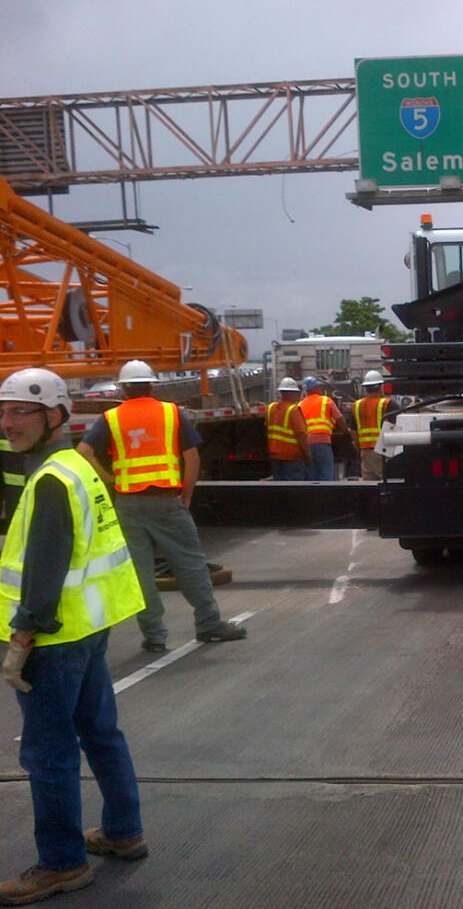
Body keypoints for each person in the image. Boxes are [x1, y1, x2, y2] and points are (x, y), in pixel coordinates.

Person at [0, 368, 148, 906]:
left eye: (21, 412)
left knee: (47, 752)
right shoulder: (75, 466)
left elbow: (45, 565)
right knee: (99, 730)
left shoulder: (51, 480)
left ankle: (62, 864)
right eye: (5, 411)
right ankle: (123, 830)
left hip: (53, 636)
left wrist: (21, 639)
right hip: (87, 627)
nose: (7, 422)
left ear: (55, 417)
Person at [75, 360, 247, 653]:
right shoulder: (171, 413)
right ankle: (208, 625)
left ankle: (154, 636)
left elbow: (83, 452)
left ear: (123, 388)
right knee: (190, 564)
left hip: (128, 504)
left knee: (140, 574)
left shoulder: (111, 418)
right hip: (168, 501)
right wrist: (187, 493)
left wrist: (111, 480)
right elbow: (192, 457)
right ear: (152, 385)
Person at [298, 375, 355, 481]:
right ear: (314, 388)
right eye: (318, 387)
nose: (320, 388)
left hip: (307, 443)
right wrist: (347, 432)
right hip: (322, 442)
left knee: (311, 474)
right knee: (326, 472)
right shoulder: (326, 401)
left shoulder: (300, 404)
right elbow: (339, 419)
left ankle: (313, 496)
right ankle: (325, 496)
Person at [351, 370, 399, 481]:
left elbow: (353, 431)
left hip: (365, 451)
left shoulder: (356, 405)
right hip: (382, 450)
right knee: (387, 483)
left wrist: (359, 449)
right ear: (380, 386)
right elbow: (395, 426)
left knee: (370, 485)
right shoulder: (388, 404)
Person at [265, 377, 309, 481]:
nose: (298, 395)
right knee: (294, 489)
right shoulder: (293, 410)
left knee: (279, 488)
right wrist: (308, 453)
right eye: (296, 393)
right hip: (292, 456)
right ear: (292, 393)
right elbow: (301, 434)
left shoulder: (270, 408)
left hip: (275, 454)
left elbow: (267, 428)